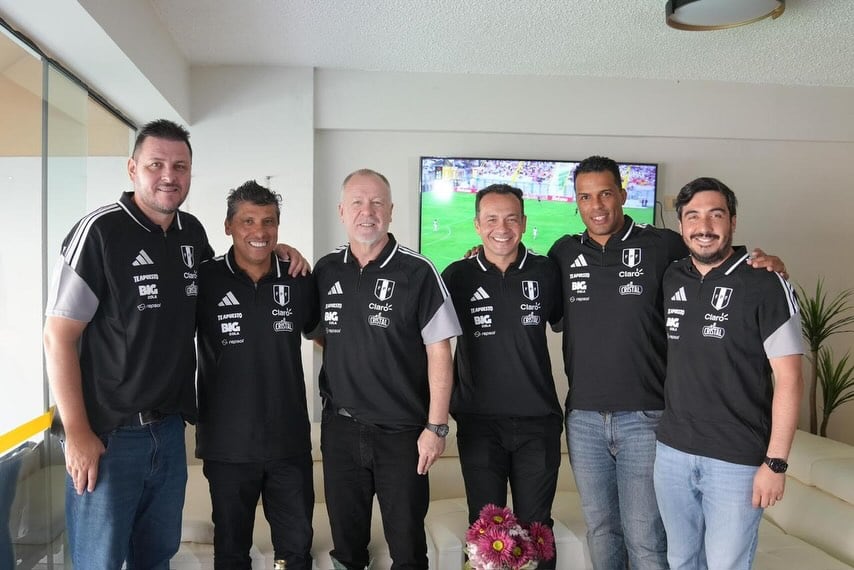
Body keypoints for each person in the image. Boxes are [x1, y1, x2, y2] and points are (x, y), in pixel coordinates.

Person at [42, 119, 307, 568]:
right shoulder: (100, 232)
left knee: (156, 556)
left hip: (168, 433)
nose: (169, 175)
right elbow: (57, 335)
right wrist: (79, 433)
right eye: (156, 164)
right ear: (132, 169)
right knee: (99, 561)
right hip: (108, 434)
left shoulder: (192, 235)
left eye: (180, 166)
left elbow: (233, 275)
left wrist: (277, 250)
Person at [547, 156, 784, 570]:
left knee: (646, 536)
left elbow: (713, 260)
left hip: (647, 416)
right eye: (585, 196)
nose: (597, 205)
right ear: (577, 202)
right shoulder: (563, 252)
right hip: (583, 417)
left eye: (605, 193)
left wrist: (771, 266)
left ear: (623, 194)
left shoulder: (663, 245)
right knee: (601, 529)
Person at [313, 168, 461, 570]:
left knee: (408, 550)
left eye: (377, 202)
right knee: (347, 549)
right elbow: (323, 335)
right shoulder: (326, 271)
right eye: (358, 203)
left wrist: (436, 428)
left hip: (403, 435)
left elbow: (440, 352)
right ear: (342, 211)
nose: (368, 211)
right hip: (341, 431)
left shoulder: (418, 272)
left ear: (391, 211)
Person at [654, 177, 803, 569]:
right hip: (672, 452)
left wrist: (775, 464)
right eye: (693, 217)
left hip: (736, 461)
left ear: (732, 222)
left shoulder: (766, 282)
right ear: (682, 226)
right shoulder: (672, 277)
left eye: (715, 215)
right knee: (680, 559)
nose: (704, 227)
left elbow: (790, 379)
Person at [195, 180, 319, 569]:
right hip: (228, 446)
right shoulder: (204, 280)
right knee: (231, 553)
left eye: (268, 222)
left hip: (289, 442)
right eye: (248, 221)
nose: (259, 232)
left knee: (296, 553)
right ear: (228, 226)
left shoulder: (297, 277)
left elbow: (325, 336)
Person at [441, 184, 562, 568]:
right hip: (479, 424)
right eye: (491, 219)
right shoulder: (456, 276)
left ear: (524, 223)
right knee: (485, 532)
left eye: (511, 218)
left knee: (536, 530)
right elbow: (431, 347)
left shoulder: (546, 272)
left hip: (537, 423)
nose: (502, 227)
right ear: (477, 225)